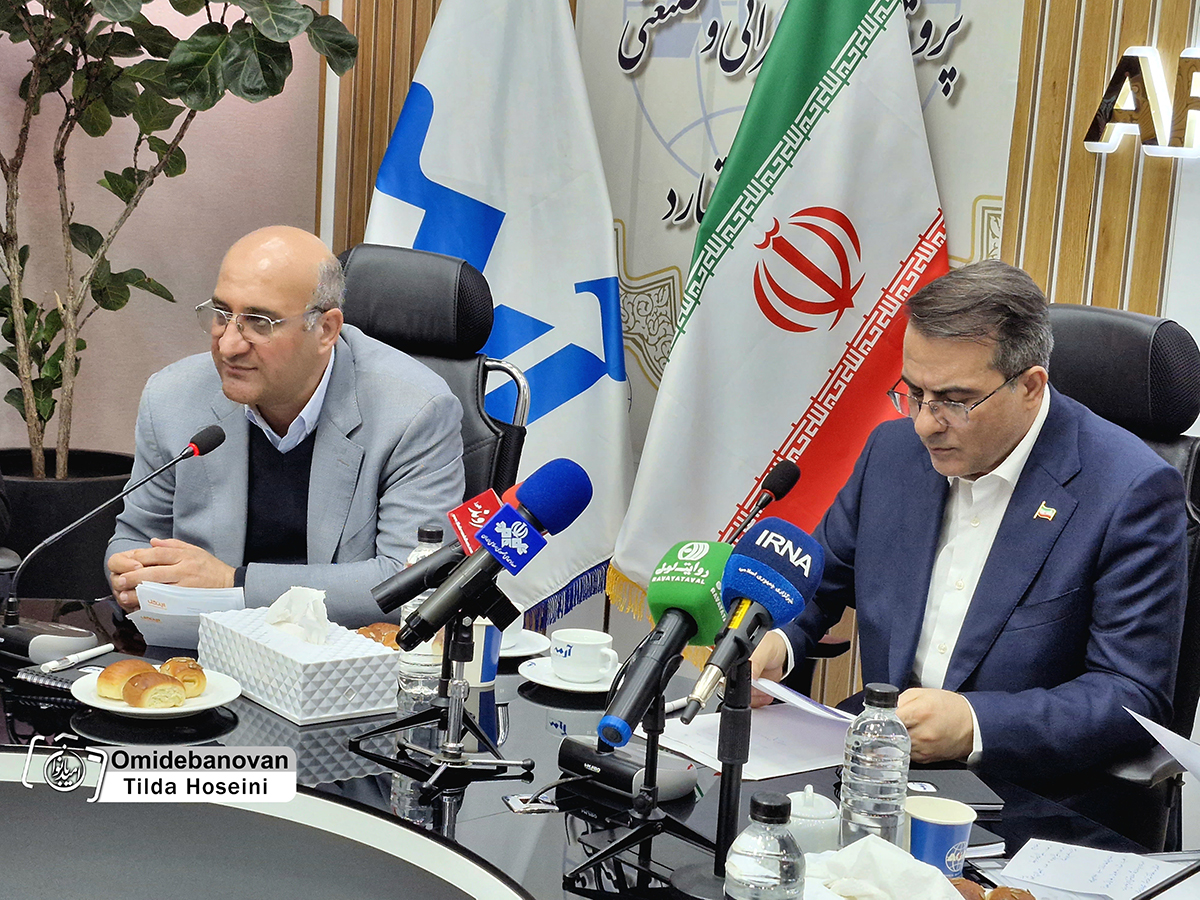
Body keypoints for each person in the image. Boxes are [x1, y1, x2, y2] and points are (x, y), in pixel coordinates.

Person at [751, 260, 1186, 796]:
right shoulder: (891, 453)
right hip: (876, 766)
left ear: (1031, 387)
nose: (924, 423)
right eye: (914, 391)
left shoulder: (1130, 491)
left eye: (954, 401)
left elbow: (1132, 695)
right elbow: (816, 584)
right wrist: (776, 642)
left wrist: (974, 725)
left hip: (1021, 795)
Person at [106, 226, 465, 626]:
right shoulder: (172, 397)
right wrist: (130, 571)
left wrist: (233, 583)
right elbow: (135, 536)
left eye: (259, 322)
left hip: (342, 653)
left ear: (325, 329)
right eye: (222, 315)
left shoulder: (414, 412)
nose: (228, 345)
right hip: (202, 647)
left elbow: (412, 584)